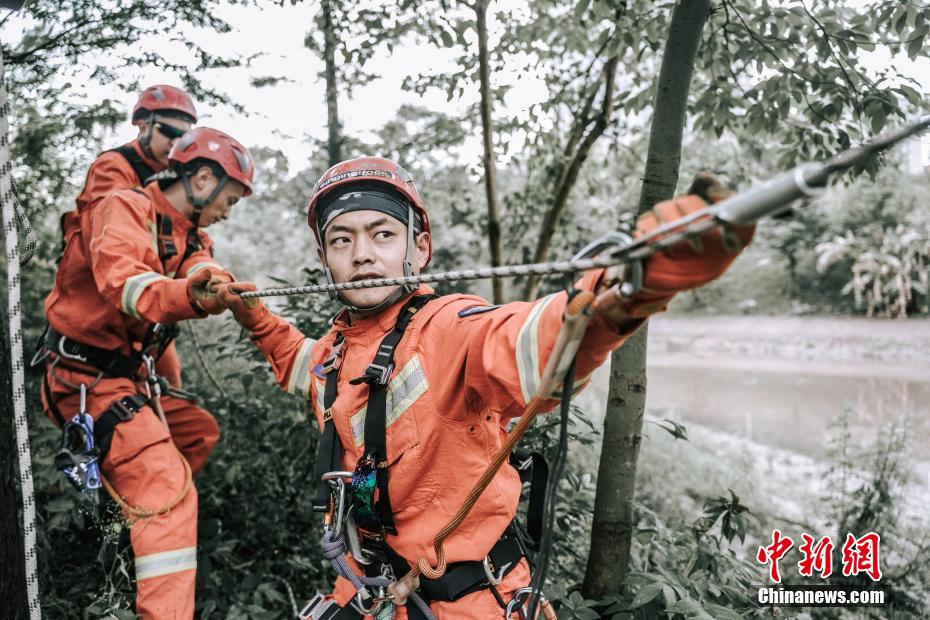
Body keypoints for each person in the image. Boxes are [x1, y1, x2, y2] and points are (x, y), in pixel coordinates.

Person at [216, 157, 753, 619]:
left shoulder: (447, 328)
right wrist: (256, 318)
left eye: (382, 234)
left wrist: (620, 293)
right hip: (367, 591)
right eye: (342, 239)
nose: (361, 254)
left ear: (418, 248)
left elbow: (529, 340)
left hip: (467, 601)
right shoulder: (335, 353)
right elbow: (296, 359)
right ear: (325, 260)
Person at [40, 127, 253, 619]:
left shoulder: (190, 233)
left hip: (129, 377)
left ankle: (127, 524)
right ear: (202, 178)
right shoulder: (122, 208)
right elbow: (127, 284)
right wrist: (189, 295)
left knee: (196, 433)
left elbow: (199, 265)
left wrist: (215, 285)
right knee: (168, 491)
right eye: (229, 200)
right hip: (83, 381)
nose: (227, 211)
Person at [61, 84, 199, 387]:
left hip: (149, 299)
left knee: (171, 384)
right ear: (142, 125)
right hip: (103, 295)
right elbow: (118, 231)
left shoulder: (171, 176)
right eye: (169, 133)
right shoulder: (113, 168)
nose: (176, 144)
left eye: (184, 138)